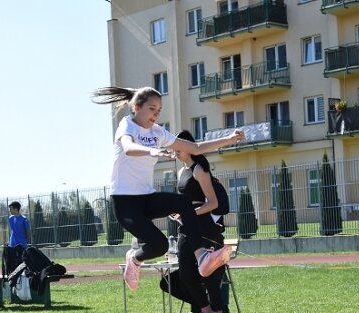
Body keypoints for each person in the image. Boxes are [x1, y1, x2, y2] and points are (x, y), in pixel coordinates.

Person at [91, 86, 244, 291]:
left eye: (159, 110)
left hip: (146, 197)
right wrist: (153, 151)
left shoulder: (157, 132)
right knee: (160, 246)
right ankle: (134, 259)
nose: (156, 114)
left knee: (182, 203)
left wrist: (229, 140)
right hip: (125, 202)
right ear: (137, 107)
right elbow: (128, 148)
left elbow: (195, 148)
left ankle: (203, 258)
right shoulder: (127, 125)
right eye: (152, 108)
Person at [158, 130, 228, 313]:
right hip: (185, 226)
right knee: (187, 274)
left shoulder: (200, 170)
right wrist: (178, 212)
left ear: (189, 148)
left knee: (208, 274)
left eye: (178, 149)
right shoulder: (182, 172)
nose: (176, 153)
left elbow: (213, 203)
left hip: (203, 226)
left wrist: (190, 213)